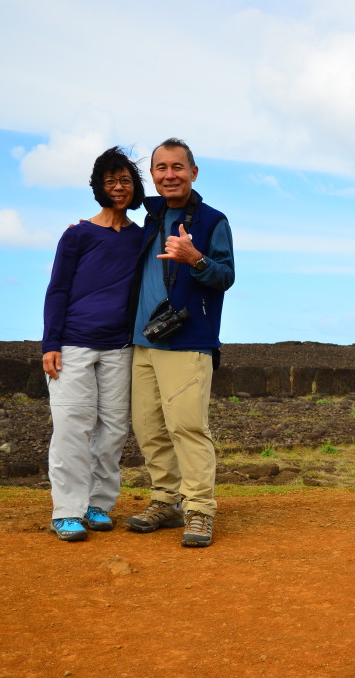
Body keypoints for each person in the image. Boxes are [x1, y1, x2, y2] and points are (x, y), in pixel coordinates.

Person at [124, 138, 235, 548]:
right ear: (152, 176)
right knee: (149, 428)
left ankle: (200, 510)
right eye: (161, 168)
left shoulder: (211, 220)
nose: (169, 175)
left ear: (193, 172)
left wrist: (195, 258)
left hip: (188, 342)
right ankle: (165, 501)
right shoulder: (149, 220)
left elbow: (225, 276)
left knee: (187, 427)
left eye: (177, 167)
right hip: (142, 342)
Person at [42, 147, 146, 542]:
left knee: (114, 428)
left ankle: (98, 504)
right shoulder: (78, 234)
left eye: (125, 180)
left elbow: (165, 205)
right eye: (110, 181)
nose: (118, 187)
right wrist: (50, 343)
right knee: (72, 426)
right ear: (98, 187)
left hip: (121, 347)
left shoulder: (142, 237)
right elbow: (58, 290)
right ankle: (66, 511)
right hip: (74, 345)